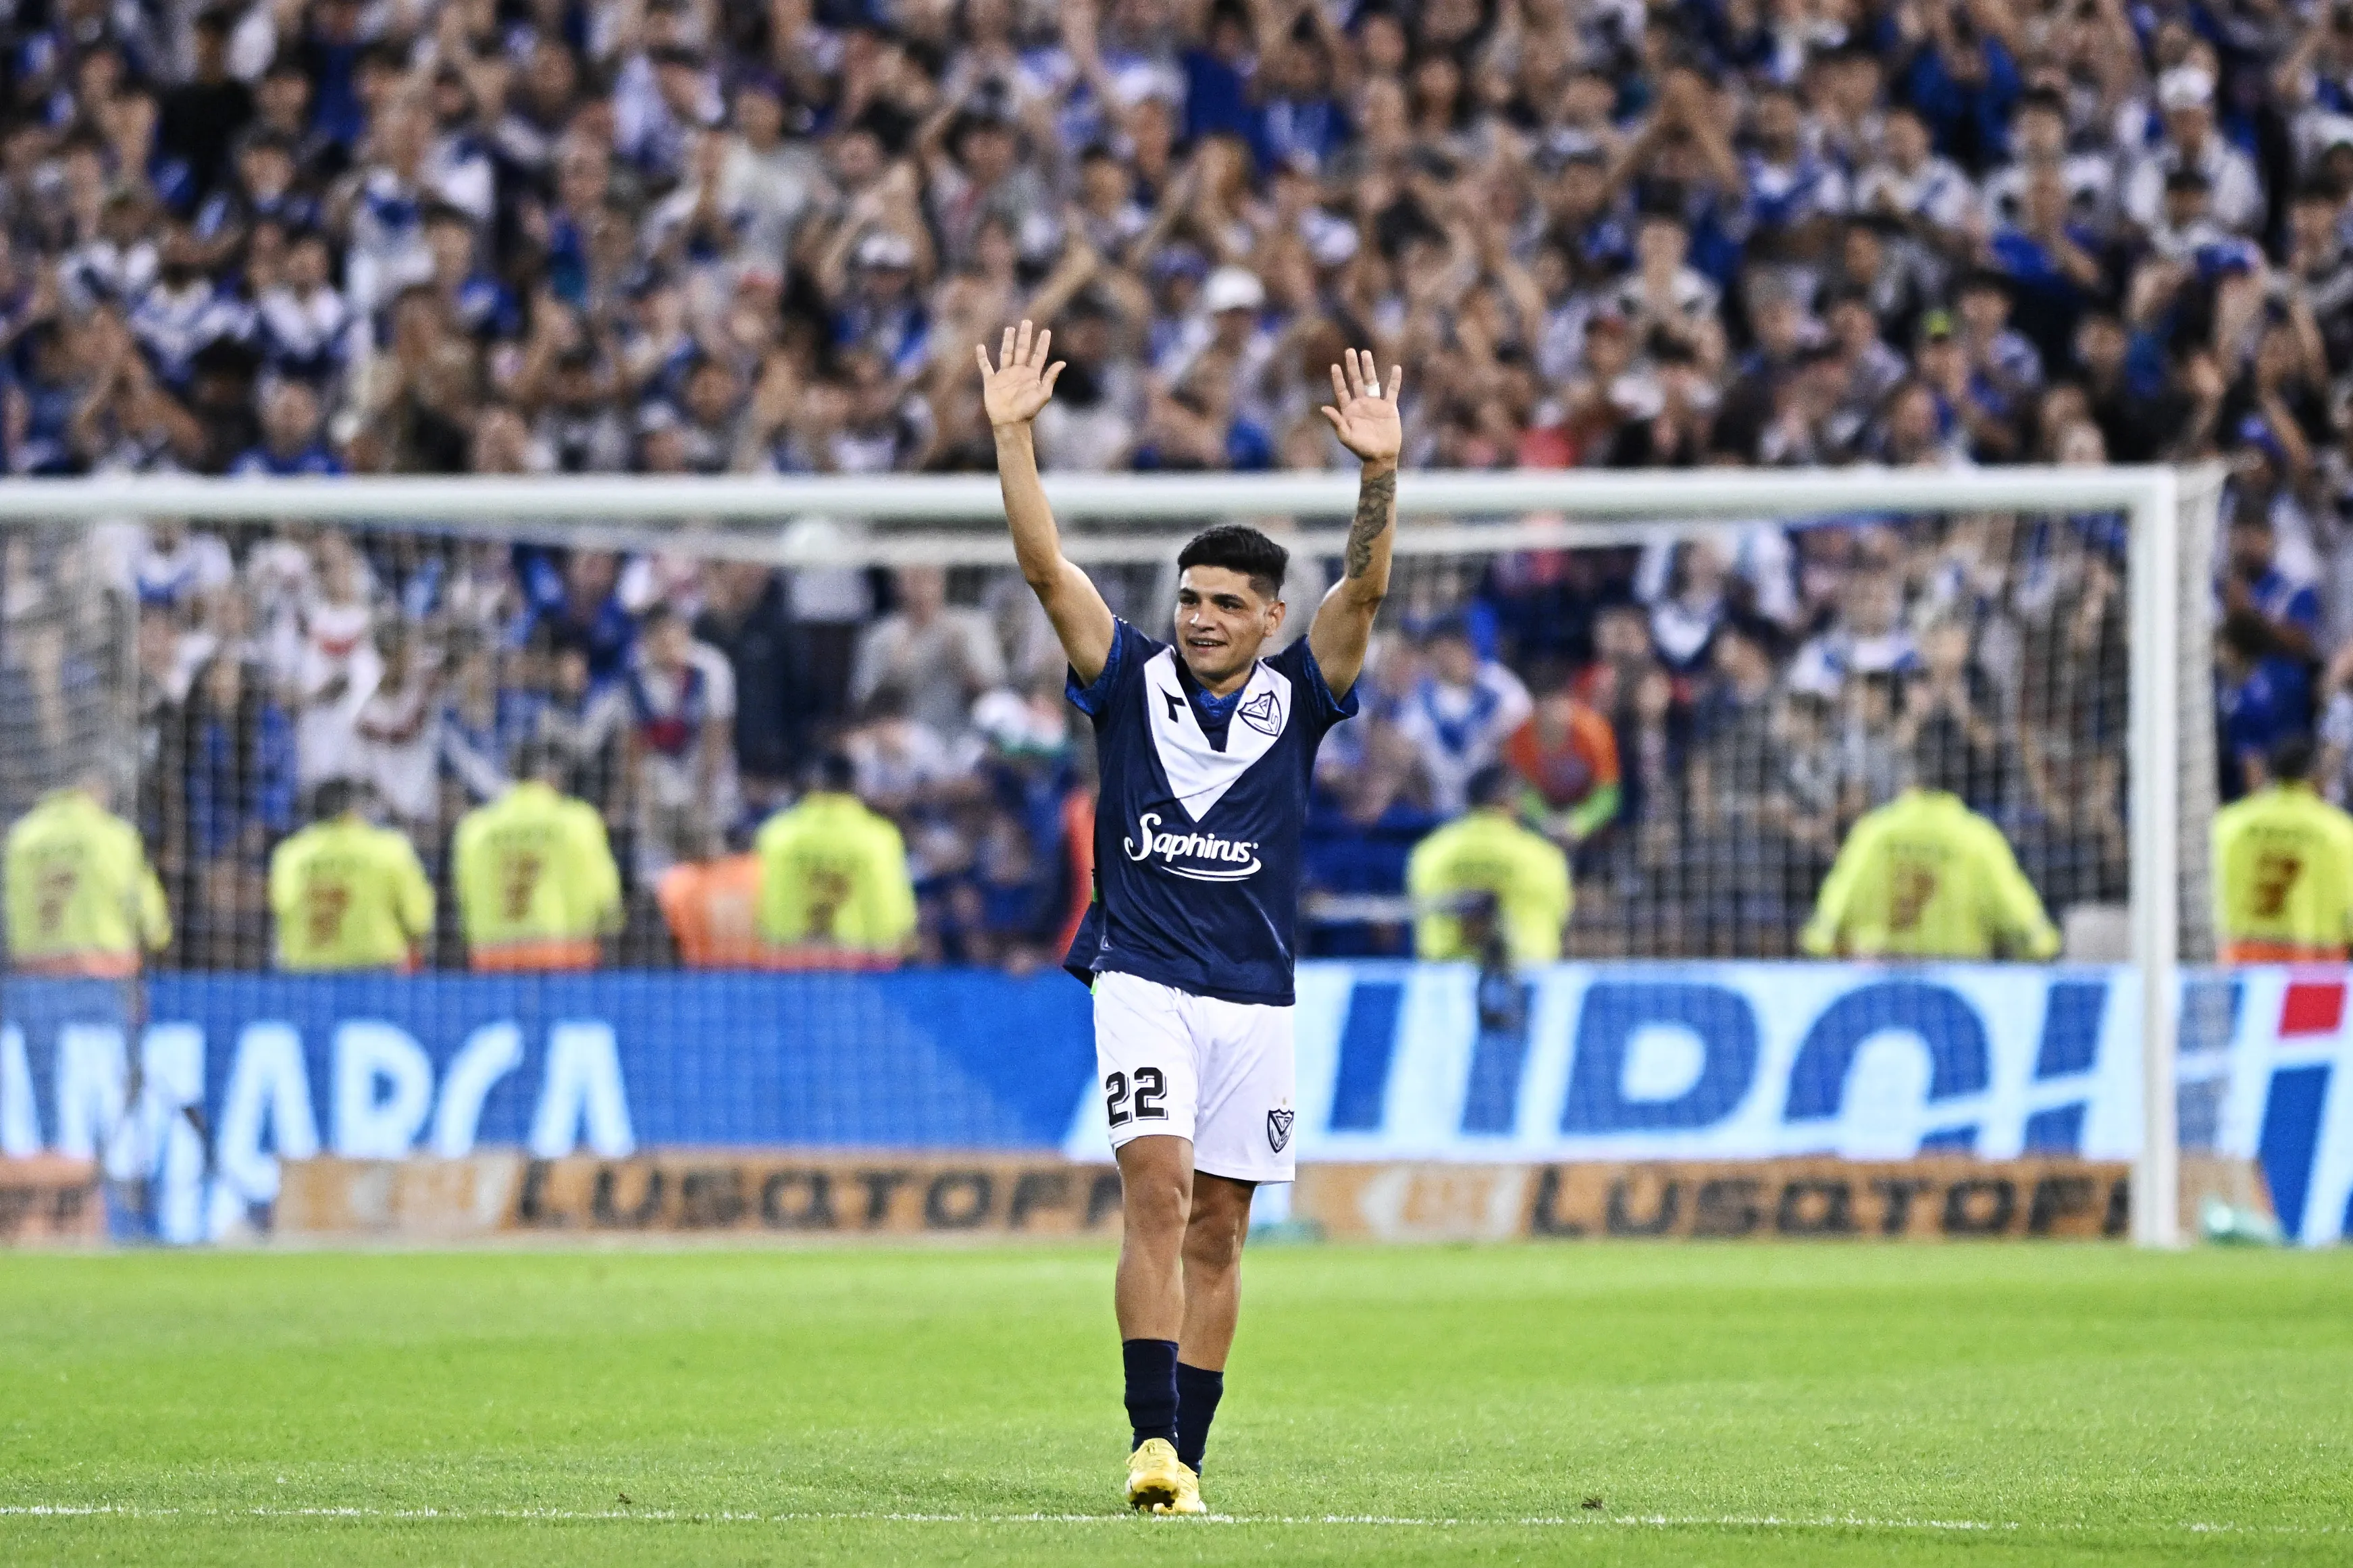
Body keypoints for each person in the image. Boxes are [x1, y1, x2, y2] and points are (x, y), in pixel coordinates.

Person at [981, 320, 1396, 1514]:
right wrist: (1013, 437)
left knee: (1220, 1229)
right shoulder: (1126, 681)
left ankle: (1190, 1461)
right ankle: (1148, 1443)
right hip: (1141, 975)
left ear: (1269, 616)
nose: (1199, 617)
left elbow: (1362, 584)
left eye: (1224, 602)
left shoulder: (1300, 696)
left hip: (1253, 994)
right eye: (1188, 598)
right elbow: (1044, 567)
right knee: (1155, 1189)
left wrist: (1378, 474)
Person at [1800, 722, 2061, 962]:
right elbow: (2038, 941)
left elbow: (1820, 936)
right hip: (1958, 985)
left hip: (1884, 987)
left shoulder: (1874, 832)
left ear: (1909, 771)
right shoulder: (1978, 838)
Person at [450, 747, 623, 971]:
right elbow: (607, 898)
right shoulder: (579, 822)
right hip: (566, 956)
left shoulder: (474, 828)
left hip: (493, 959)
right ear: (552, 776)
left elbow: (463, 898)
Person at [751, 753, 919, 967]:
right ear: (853, 784)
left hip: (791, 968)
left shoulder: (776, 835)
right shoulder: (880, 838)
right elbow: (896, 924)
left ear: (810, 784)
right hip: (861, 970)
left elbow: (760, 912)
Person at [4, 773, 171, 976]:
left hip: (38, 969)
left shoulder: (22, 838)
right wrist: (158, 937)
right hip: (105, 967)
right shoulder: (114, 835)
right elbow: (144, 907)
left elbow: (12, 902)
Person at [1405, 765, 1573, 964]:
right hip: (1527, 976)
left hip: (1443, 978)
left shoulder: (1429, 853)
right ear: (1512, 801)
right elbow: (1560, 915)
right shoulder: (1545, 857)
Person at [2211, 735, 2353, 962]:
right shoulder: (2338, 831)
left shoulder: (2230, 824)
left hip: (2245, 957)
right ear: (2316, 776)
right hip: (2316, 963)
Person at [267, 779, 435, 971]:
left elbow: (282, 904)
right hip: (375, 969)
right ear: (353, 809)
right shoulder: (389, 847)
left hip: (305, 972)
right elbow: (419, 916)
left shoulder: (291, 853)